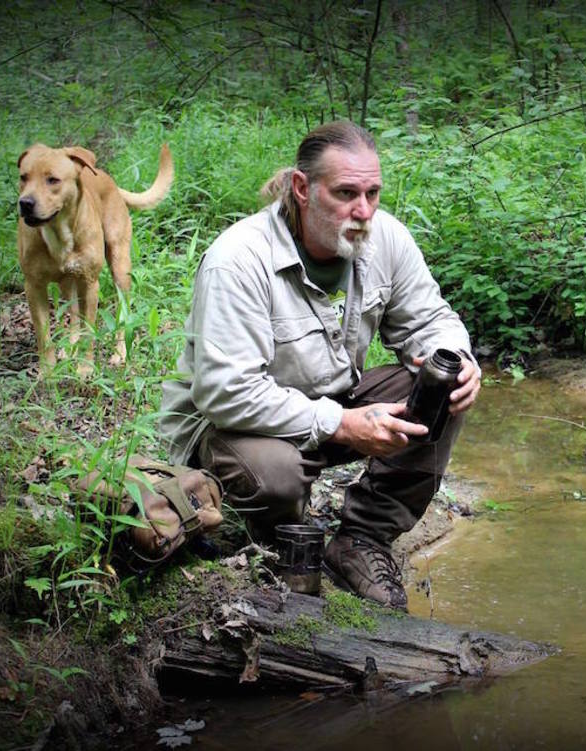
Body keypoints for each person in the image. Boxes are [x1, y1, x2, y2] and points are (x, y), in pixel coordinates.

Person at [157, 120, 480, 611]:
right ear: (303, 189)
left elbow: (431, 319)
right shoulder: (239, 259)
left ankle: (361, 541)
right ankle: (276, 542)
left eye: (373, 192)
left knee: (444, 388)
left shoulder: (384, 237)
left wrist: (459, 359)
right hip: (230, 431)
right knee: (278, 474)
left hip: (328, 404)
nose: (364, 210)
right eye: (347, 193)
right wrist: (342, 424)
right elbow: (226, 393)